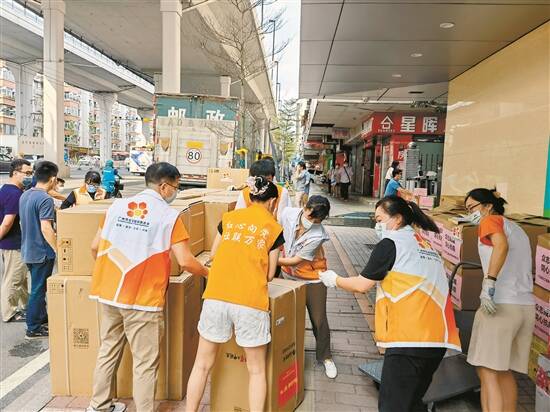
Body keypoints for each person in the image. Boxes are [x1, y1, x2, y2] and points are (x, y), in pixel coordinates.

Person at [319, 196, 461, 411]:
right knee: (413, 402)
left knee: (393, 406)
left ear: (397, 218)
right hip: (438, 340)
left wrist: (334, 279)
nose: (377, 225)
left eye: (379, 219)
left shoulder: (391, 244)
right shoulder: (424, 244)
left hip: (409, 339)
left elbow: (362, 285)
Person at [87, 162, 208, 412]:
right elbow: (185, 261)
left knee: (108, 350)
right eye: (175, 186)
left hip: (110, 294)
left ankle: (98, 406)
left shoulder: (116, 206)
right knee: (145, 363)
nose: (176, 191)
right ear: (164, 186)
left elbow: (95, 247)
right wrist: (209, 273)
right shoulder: (169, 217)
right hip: (143, 300)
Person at [186, 176, 284, 412]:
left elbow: (214, 254)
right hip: (250, 300)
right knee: (256, 370)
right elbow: (270, 274)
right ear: (273, 202)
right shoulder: (274, 228)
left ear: (250, 197)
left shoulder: (229, 218)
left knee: (201, 365)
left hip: (216, 295)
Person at [464, 188, 535, 412]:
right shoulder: (517, 229)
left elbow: (501, 245)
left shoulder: (490, 220)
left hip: (500, 306)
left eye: (472, 208)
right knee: (504, 371)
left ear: (487, 206)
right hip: (524, 307)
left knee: (487, 371)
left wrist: (489, 281)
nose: (470, 214)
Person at [278, 195, 337, 379]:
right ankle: (285, 355)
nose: (311, 222)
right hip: (287, 276)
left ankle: (326, 357)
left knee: (318, 319)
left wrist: (269, 260)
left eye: (317, 220)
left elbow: (296, 260)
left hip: (313, 278)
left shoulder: (319, 235)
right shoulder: (288, 214)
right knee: (285, 318)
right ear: (305, 207)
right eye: (310, 216)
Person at [19, 160, 59, 339]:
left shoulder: (26, 195)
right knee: (38, 290)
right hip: (41, 252)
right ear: (53, 179)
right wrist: (58, 249)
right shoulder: (45, 199)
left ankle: (41, 319)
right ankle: (33, 328)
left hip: (28, 249)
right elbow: (46, 228)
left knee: (37, 288)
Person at [0, 159, 32, 323]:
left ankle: (25, 306)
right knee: (13, 280)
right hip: (13, 244)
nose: (29, 176)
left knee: (21, 278)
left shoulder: (5, 189)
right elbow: (7, 222)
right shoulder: (14, 194)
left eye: (31, 173)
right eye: (27, 173)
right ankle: (9, 312)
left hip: (13, 243)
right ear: (15, 173)